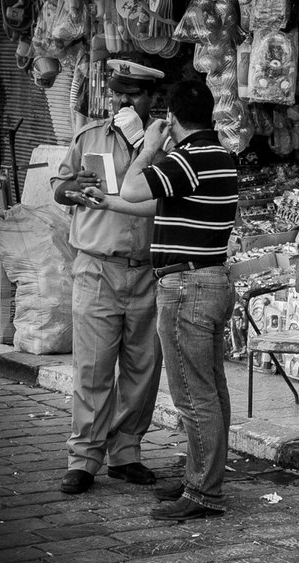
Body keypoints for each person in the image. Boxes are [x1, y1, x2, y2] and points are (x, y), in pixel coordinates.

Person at [114, 78, 238, 521]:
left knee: (192, 394)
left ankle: (204, 493)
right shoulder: (221, 157)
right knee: (212, 390)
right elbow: (154, 204)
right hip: (211, 282)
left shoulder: (186, 159)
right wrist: (103, 203)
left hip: (185, 289)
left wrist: (149, 145)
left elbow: (133, 188)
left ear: (173, 118)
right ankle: (202, 478)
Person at [50, 59, 165, 495]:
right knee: (92, 370)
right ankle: (83, 459)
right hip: (97, 268)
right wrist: (71, 186)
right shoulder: (88, 137)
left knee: (142, 369)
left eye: (133, 94)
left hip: (148, 273)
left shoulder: (166, 145)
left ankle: (127, 454)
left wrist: (145, 146)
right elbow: (60, 189)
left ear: (151, 99)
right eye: (118, 93)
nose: (123, 101)